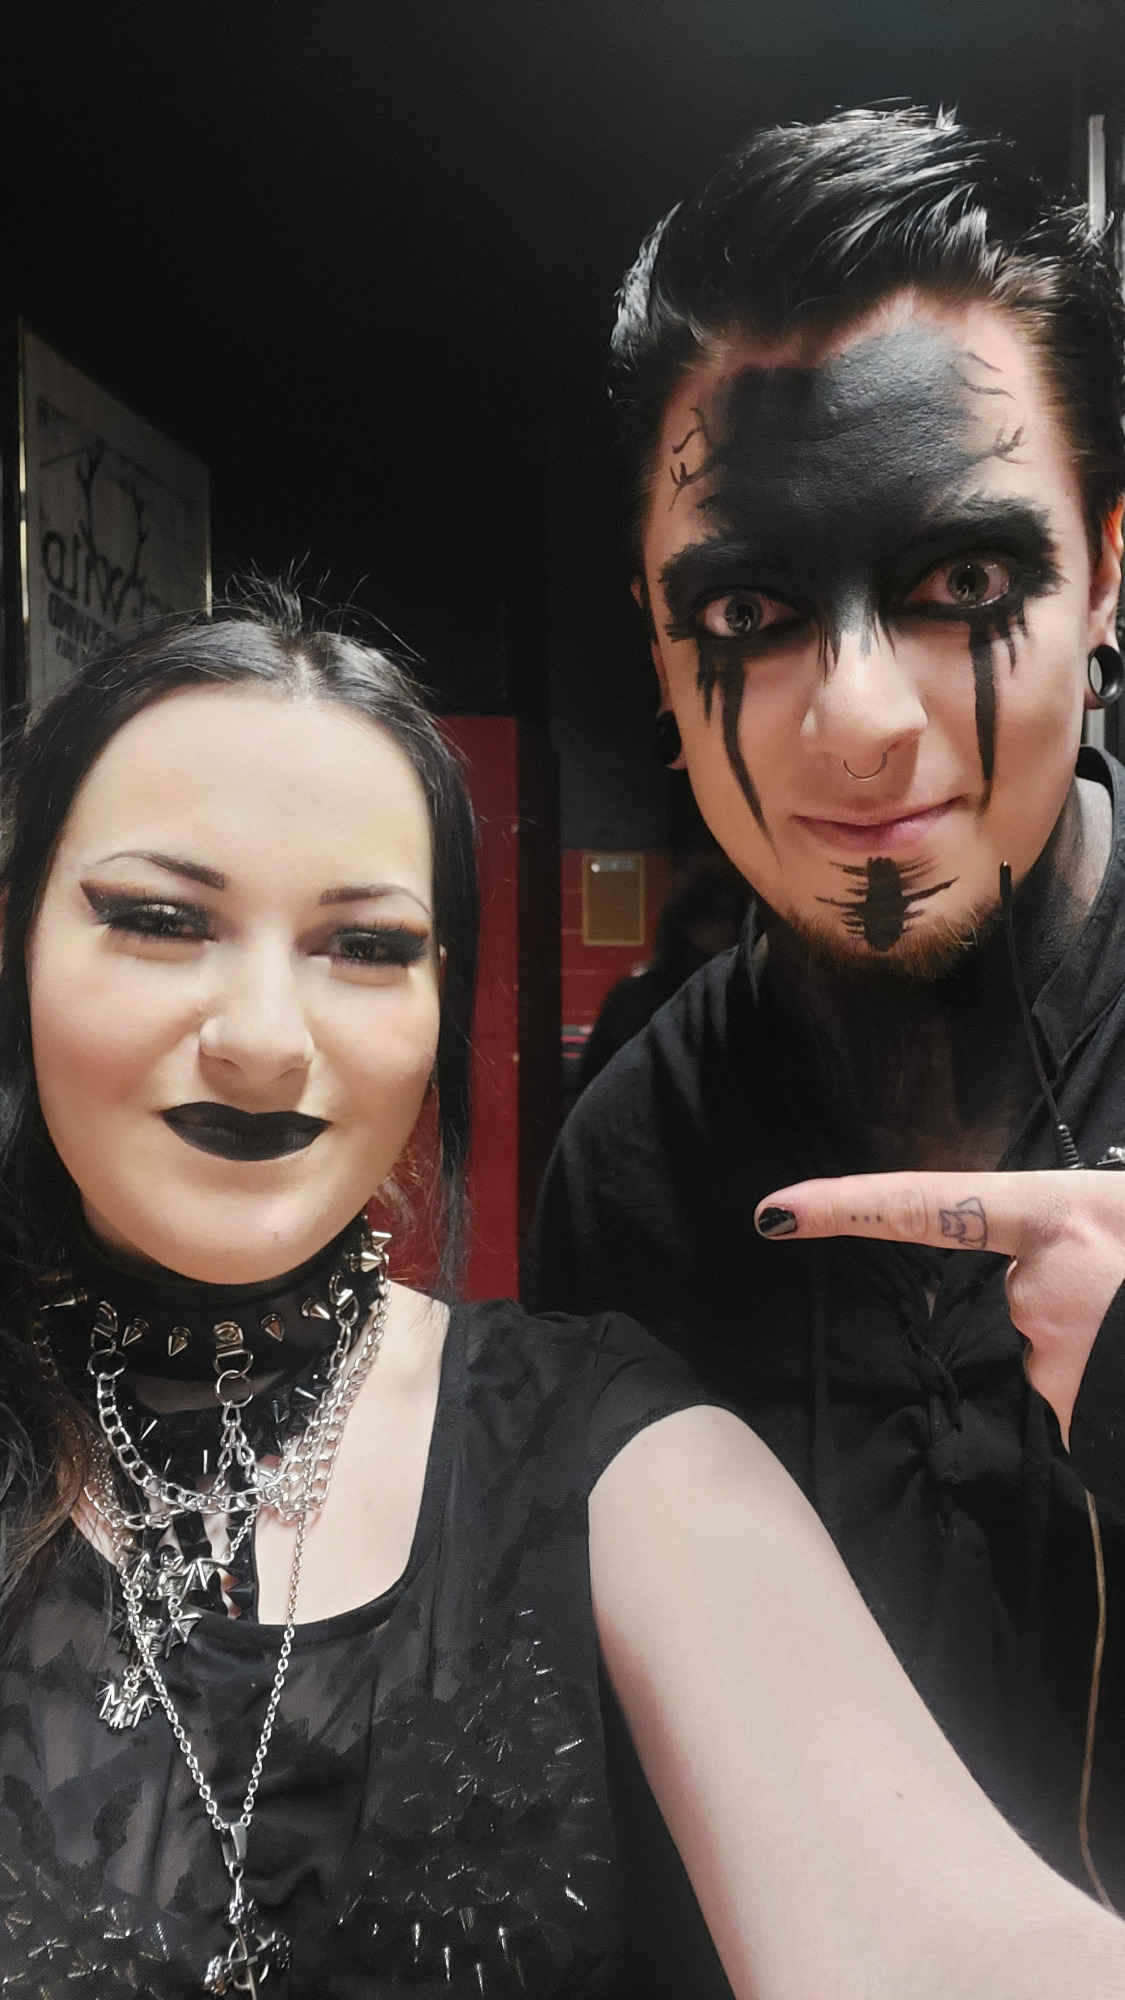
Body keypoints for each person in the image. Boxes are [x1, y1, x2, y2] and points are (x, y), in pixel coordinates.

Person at [9, 594, 1125, 1997]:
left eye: (366, 945)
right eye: (162, 920)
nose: (263, 1040)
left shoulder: (612, 1452)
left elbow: (947, 1948)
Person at [525, 104, 1125, 1929]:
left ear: (1108, 573)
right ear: (658, 641)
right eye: (751, 607)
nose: (857, 723)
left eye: (963, 582)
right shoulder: (630, 1164)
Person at [576, 854, 749, 1093]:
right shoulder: (637, 1002)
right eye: (715, 914)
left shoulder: (740, 998)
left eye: (734, 918)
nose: (727, 930)